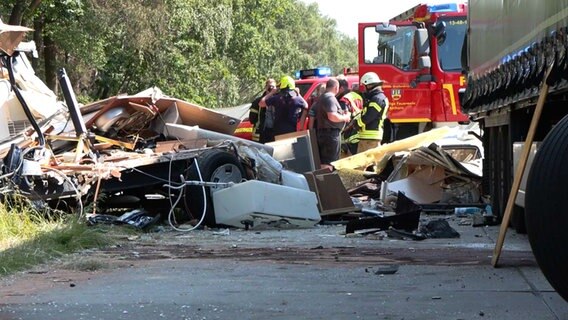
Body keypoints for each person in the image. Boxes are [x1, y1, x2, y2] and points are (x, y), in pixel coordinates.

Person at [344, 71, 389, 154]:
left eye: (365, 86)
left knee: (364, 165)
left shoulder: (377, 99)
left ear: (369, 85)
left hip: (370, 139)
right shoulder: (377, 98)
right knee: (366, 164)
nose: (364, 89)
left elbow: (369, 116)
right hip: (368, 138)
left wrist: (356, 124)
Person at [314, 78, 351, 170]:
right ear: (336, 88)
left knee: (325, 162)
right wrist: (345, 117)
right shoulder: (330, 98)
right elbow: (332, 116)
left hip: (325, 133)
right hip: (330, 135)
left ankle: (324, 181)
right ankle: (327, 182)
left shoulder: (323, 97)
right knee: (329, 163)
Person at [259, 76, 308, 140]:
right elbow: (306, 106)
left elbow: (261, 103)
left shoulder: (276, 98)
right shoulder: (297, 99)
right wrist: (298, 94)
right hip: (291, 132)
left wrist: (271, 93)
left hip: (278, 132)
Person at [249, 78, 276, 143]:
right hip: (261, 132)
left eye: (273, 87)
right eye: (269, 86)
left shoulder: (278, 100)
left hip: (273, 132)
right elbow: (252, 118)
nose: (271, 88)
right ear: (266, 87)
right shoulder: (257, 102)